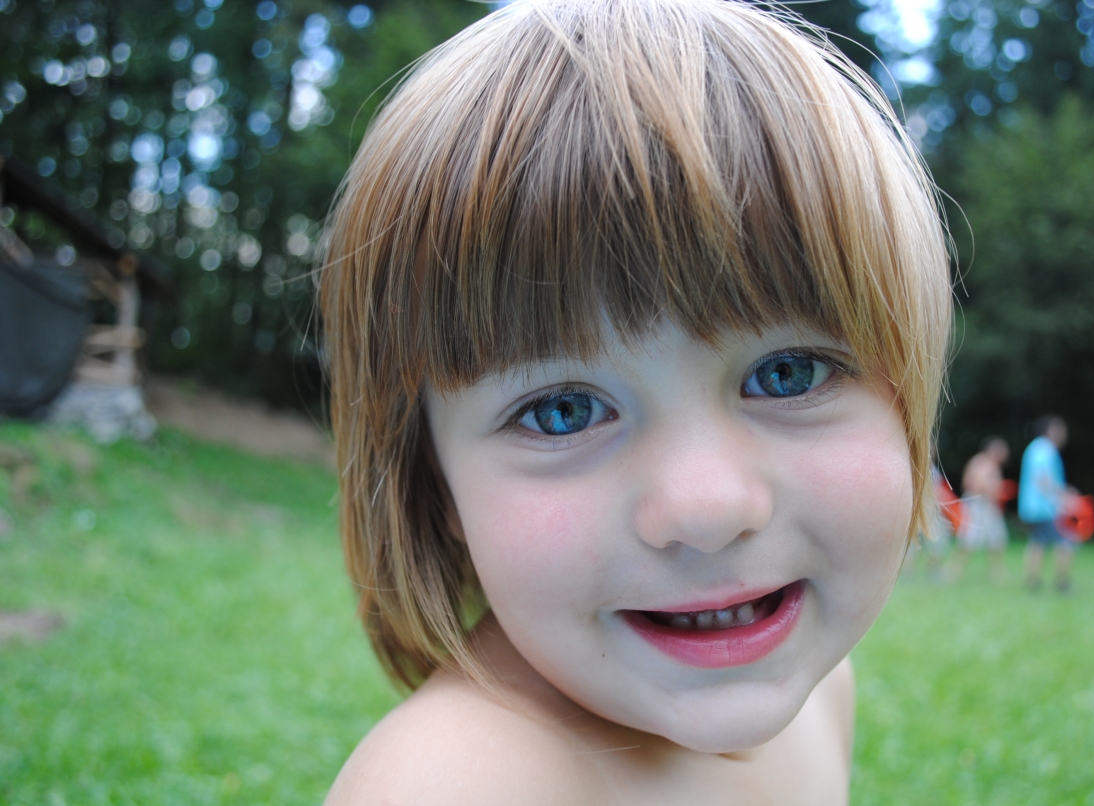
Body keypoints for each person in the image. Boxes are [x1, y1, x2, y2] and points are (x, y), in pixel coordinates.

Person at [318, 1, 952, 801]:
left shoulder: (822, 692)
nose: (707, 509)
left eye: (789, 373)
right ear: (434, 485)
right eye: (564, 412)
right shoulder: (456, 784)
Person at [1019, 416, 1075, 592]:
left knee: (1037, 542)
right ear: (1050, 430)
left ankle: (1033, 581)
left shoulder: (1035, 448)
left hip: (1031, 507)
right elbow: (1042, 478)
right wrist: (1063, 497)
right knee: (1065, 541)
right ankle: (1062, 582)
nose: (1063, 434)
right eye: (1059, 430)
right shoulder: (1045, 449)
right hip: (1044, 508)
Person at [951, 437, 1011, 583]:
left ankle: (996, 572)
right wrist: (993, 489)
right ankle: (954, 571)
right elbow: (973, 484)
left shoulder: (991, 465)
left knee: (997, 538)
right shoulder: (981, 463)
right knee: (969, 539)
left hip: (988, 505)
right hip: (977, 504)